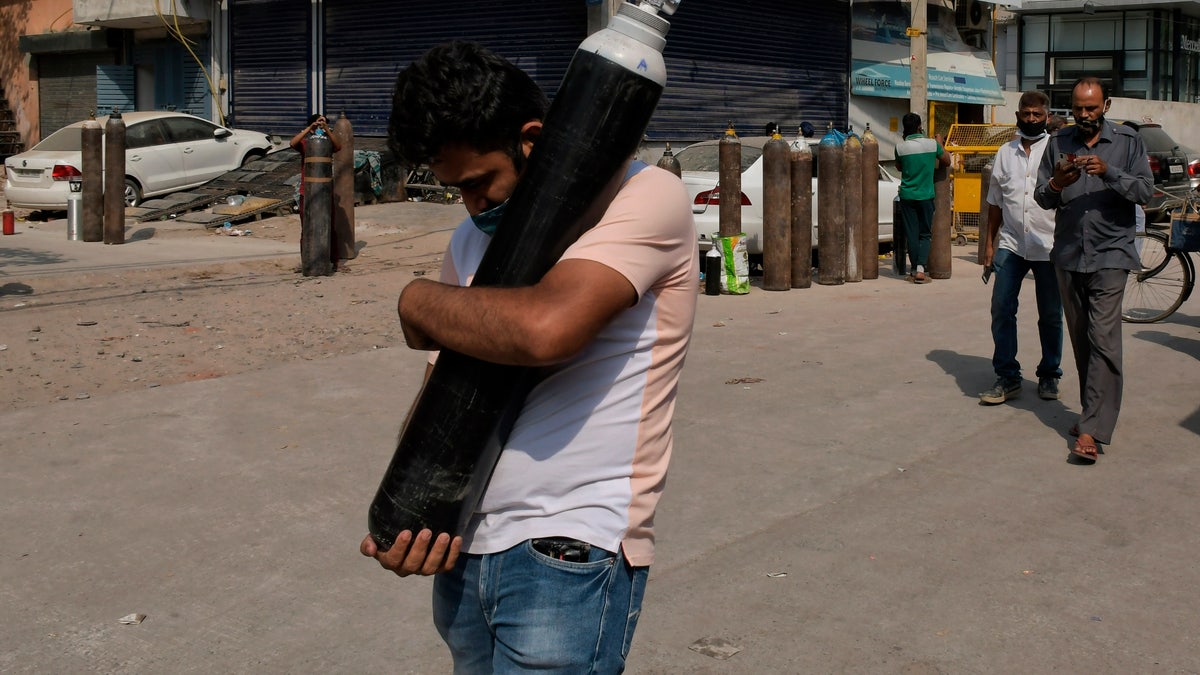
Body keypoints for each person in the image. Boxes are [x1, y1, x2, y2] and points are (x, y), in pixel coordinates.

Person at [359, 41, 697, 672]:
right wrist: (413, 508)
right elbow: (442, 391)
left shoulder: (647, 198)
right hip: (466, 548)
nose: (473, 207)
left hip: (567, 550)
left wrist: (413, 300)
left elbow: (547, 328)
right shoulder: (468, 240)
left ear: (533, 140)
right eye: (457, 190)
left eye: (480, 183)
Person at [1034, 76, 1153, 462]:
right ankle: (1092, 411)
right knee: (1083, 340)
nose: (1085, 115)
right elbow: (1041, 197)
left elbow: (1145, 192)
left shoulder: (1128, 142)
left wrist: (1109, 172)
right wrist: (1056, 182)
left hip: (1111, 254)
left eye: (1092, 108)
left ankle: (1091, 432)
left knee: (1104, 339)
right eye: (1079, 108)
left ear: (1107, 105)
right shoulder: (1058, 142)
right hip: (1069, 255)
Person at [979, 90, 1063, 405]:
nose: (1030, 119)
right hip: (1012, 244)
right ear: (1017, 115)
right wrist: (989, 245)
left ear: (1046, 116)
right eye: (1025, 114)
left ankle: (1050, 374)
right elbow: (995, 204)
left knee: (1051, 314)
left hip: (1049, 245)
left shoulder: (1057, 152)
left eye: (1036, 115)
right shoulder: (1005, 153)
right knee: (1001, 308)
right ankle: (1007, 376)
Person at [895, 112, 951, 283]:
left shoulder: (900, 147)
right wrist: (940, 143)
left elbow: (898, 167)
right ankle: (920, 269)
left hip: (907, 195)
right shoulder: (932, 144)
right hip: (926, 196)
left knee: (911, 233)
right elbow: (947, 161)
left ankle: (913, 269)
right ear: (920, 127)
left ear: (904, 129)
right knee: (925, 234)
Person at [289, 113, 343, 264]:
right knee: (307, 227)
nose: (321, 125)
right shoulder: (307, 143)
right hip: (307, 193)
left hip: (325, 193)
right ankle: (306, 260)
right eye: (318, 122)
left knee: (329, 227)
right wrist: (309, 129)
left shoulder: (327, 143)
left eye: (324, 123)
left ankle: (333, 261)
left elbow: (338, 146)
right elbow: (292, 143)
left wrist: (326, 129)